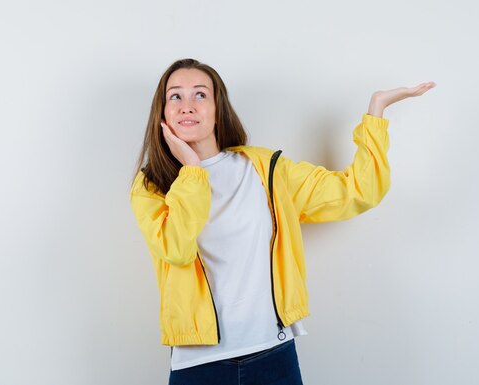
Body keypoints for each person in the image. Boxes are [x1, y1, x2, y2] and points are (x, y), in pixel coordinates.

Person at [129, 58, 435, 385]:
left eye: (200, 95)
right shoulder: (152, 187)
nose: (187, 105)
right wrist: (191, 169)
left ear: (219, 109)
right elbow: (176, 249)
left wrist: (376, 111)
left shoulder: (266, 171)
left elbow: (359, 191)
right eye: (175, 96)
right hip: (198, 365)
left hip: (272, 356)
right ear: (161, 113)